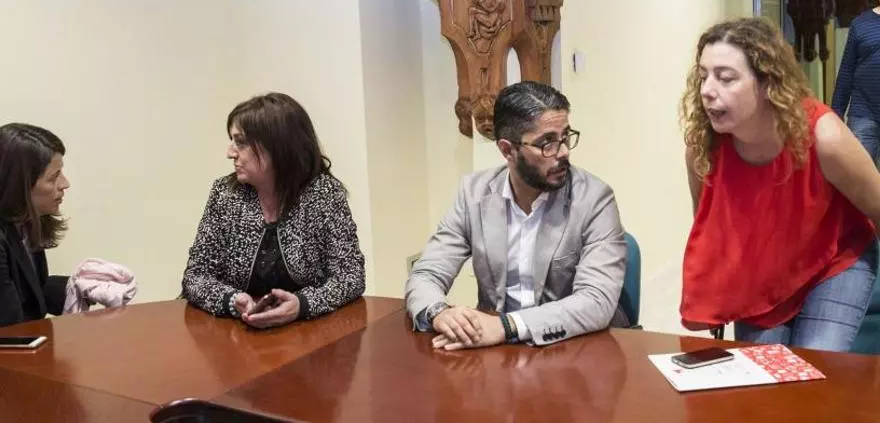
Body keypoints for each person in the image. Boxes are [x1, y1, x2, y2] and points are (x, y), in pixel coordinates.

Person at [680, 17, 880, 351]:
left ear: (766, 83)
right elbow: (711, 226)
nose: (707, 91)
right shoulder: (703, 149)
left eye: (725, 78)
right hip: (767, 266)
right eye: (703, 76)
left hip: (836, 259)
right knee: (763, 371)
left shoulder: (824, 136)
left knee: (816, 360)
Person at [405, 81, 629, 350]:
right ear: (507, 150)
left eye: (565, 137)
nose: (563, 152)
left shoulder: (594, 199)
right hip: (497, 352)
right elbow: (426, 273)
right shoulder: (473, 194)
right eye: (547, 143)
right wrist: (439, 312)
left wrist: (506, 326)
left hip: (571, 348)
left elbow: (596, 301)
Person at [182, 92, 366, 328]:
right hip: (237, 332)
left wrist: (302, 305)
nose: (230, 152)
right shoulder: (225, 194)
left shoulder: (323, 193)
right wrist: (232, 300)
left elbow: (351, 276)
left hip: (310, 333)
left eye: (241, 142)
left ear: (276, 147)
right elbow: (195, 276)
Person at [0, 123, 71, 326]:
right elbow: (10, 326)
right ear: (19, 184)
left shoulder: (25, 223)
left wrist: (78, 284)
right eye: (54, 177)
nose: (65, 184)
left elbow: (33, 294)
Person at [831, 0, 880, 164]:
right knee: (858, 172)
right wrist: (836, 113)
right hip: (863, 113)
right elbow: (846, 71)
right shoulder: (860, 24)